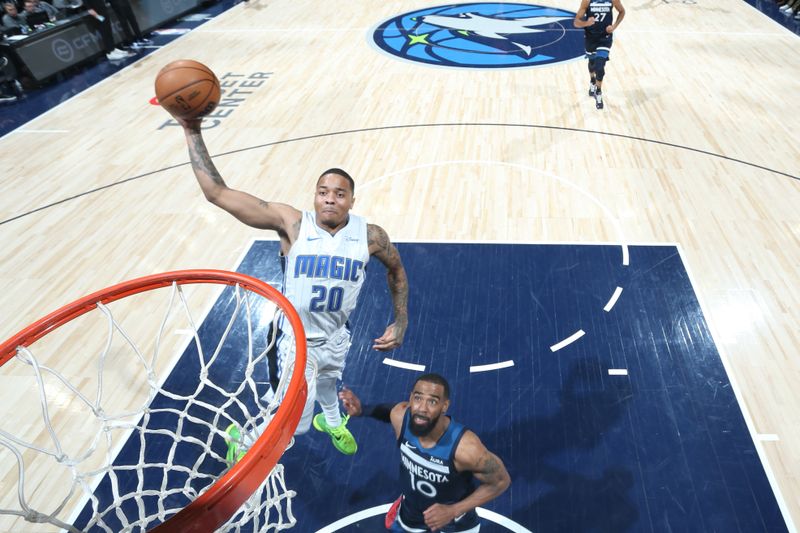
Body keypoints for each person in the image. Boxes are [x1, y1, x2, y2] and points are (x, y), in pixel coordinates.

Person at [176, 116, 409, 457]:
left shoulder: (370, 235)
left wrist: (401, 320)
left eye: (339, 194)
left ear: (352, 201)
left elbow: (397, 271)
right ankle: (242, 440)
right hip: (294, 341)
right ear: (314, 197)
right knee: (295, 422)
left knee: (329, 381)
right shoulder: (292, 224)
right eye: (323, 192)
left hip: (336, 334)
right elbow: (217, 193)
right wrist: (192, 129)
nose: (330, 199)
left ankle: (331, 420)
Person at [339, 374, 511, 532]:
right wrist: (362, 410)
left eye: (432, 401)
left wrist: (453, 510)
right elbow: (388, 411)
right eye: (418, 398)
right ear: (411, 398)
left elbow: (501, 481)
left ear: (445, 406)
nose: (422, 408)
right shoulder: (401, 416)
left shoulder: (466, 448)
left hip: (456, 522)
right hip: (411, 513)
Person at [573, 0, 625, 110]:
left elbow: (622, 11)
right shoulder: (587, 1)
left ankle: (598, 91)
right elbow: (576, 22)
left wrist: (614, 26)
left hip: (605, 38)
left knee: (599, 66)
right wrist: (586, 23)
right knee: (592, 63)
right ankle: (592, 80)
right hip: (591, 38)